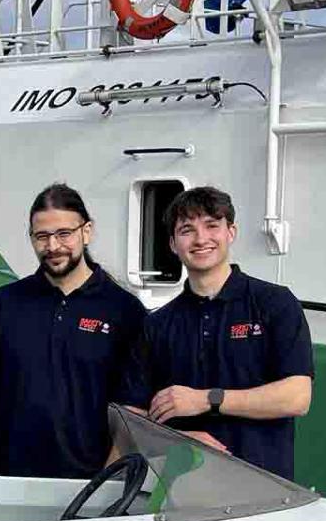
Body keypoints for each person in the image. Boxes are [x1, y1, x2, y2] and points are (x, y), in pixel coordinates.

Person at [124, 186, 314, 479]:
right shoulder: (158, 324)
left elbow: (297, 397)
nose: (201, 239)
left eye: (212, 225)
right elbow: (133, 416)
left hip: (265, 489)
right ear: (173, 244)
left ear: (231, 232)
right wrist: (179, 442)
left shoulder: (274, 303)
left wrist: (207, 399)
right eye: (187, 230)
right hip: (183, 490)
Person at [0, 184, 146, 478]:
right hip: (10, 483)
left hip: (89, 485)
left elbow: (134, 409)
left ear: (86, 232)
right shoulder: (3, 304)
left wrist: (106, 483)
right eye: (42, 236)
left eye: (64, 234)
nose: (53, 246)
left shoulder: (124, 311)